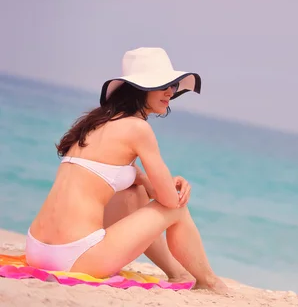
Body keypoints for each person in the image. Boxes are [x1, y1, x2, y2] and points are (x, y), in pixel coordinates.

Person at [25, 47, 228, 293]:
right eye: (163, 85)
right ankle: (208, 280)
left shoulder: (95, 124)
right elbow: (168, 202)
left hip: (36, 250)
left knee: (132, 192)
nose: (170, 92)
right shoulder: (138, 129)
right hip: (74, 257)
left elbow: (140, 189)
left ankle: (177, 273)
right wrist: (175, 188)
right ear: (140, 89)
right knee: (178, 209)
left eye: (173, 86)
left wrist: (142, 178)